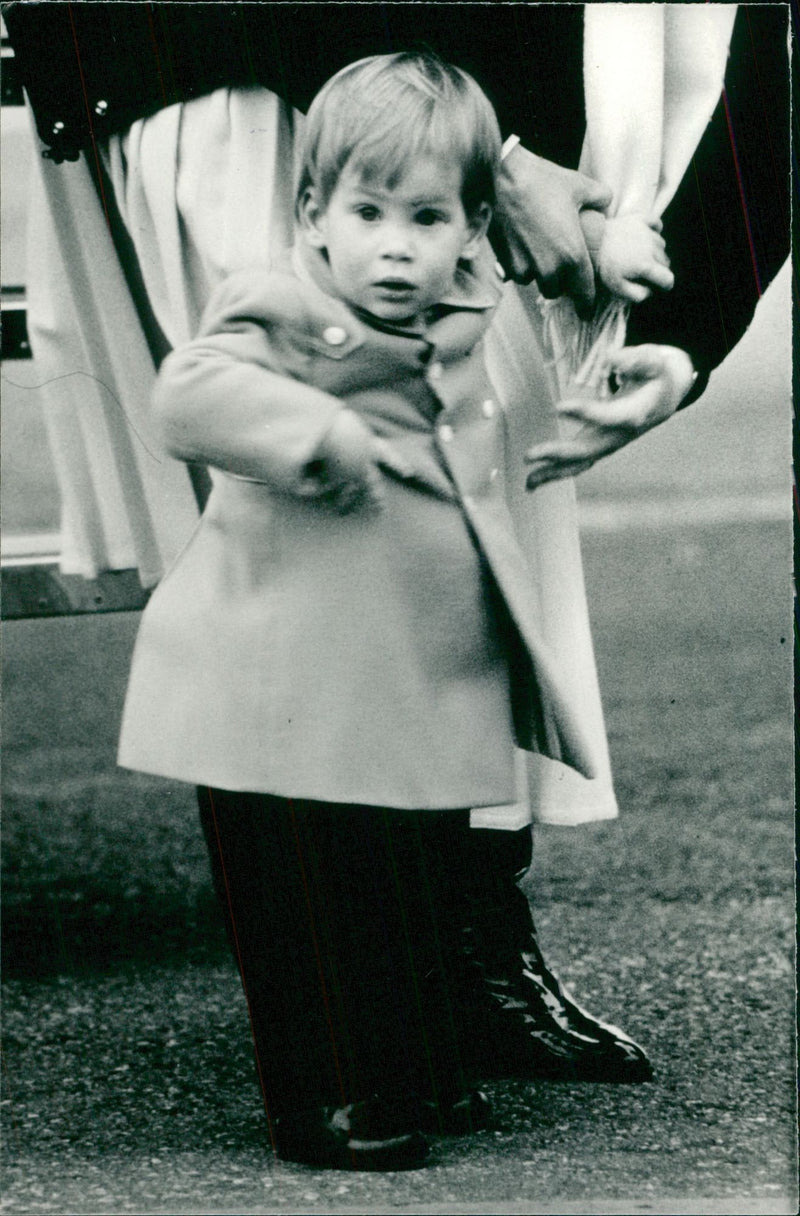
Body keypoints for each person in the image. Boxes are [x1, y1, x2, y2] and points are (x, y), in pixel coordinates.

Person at [5, 2, 789, 1093]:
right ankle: (332, 1051)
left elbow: (762, 64)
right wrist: (495, 163)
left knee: (447, 564)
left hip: (459, 131)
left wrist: (674, 339)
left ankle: (442, 969)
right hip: (248, 66)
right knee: (309, 583)